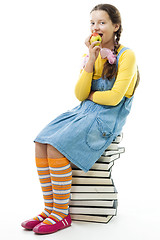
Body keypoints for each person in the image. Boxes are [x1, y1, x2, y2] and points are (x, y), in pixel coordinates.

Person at [21, 3, 140, 235]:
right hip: (83, 111)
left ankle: (62, 214)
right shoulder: (91, 55)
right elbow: (78, 94)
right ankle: (49, 209)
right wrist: (91, 58)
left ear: (116, 27)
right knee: (41, 141)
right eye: (92, 23)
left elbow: (115, 98)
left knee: (56, 147)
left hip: (106, 119)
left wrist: (92, 95)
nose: (96, 27)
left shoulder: (128, 55)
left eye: (102, 22)